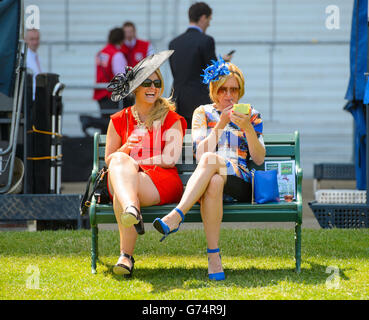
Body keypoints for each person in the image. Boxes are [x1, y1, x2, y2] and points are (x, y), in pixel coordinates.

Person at [153, 58, 265, 281]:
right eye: (223, 89)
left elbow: (259, 159)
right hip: (212, 183)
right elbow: (200, 153)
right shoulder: (202, 113)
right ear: (214, 90)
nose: (228, 95)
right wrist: (221, 124)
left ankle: (177, 215)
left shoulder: (251, 114)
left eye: (234, 89)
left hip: (240, 184)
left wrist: (247, 129)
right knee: (213, 180)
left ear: (240, 91)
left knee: (212, 162)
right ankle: (214, 259)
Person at [105, 50, 187, 277]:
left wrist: (136, 160)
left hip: (159, 179)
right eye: (147, 83)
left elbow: (170, 160)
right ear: (136, 88)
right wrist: (126, 149)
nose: (153, 88)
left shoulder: (171, 119)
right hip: (127, 179)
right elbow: (110, 160)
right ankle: (132, 208)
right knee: (121, 163)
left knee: (125, 187)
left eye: (157, 83)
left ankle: (125, 256)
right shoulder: (119, 119)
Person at [168, 2, 233, 128]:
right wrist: (223, 62)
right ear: (203, 17)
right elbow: (212, 73)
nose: (209, 23)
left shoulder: (173, 43)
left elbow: (179, 71)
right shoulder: (206, 41)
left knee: (182, 142)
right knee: (203, 141)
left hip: (177, 101)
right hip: (200, 101)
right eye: (209, 19)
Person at [92, 27, 127, 131]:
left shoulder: (101, 53)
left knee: (106, 122)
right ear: (122, 39)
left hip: (100, 93)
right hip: (111, 95)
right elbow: (122, 76)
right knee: (112, 125)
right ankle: (89, 121)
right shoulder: (117, 54)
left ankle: (104, 145)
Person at [25, 29, 42, 100]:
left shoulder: (35, 56)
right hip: (29, 98)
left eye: (37, 39)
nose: (35, 42)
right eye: (32, 39)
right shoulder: (24, 58)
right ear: (25, 40)